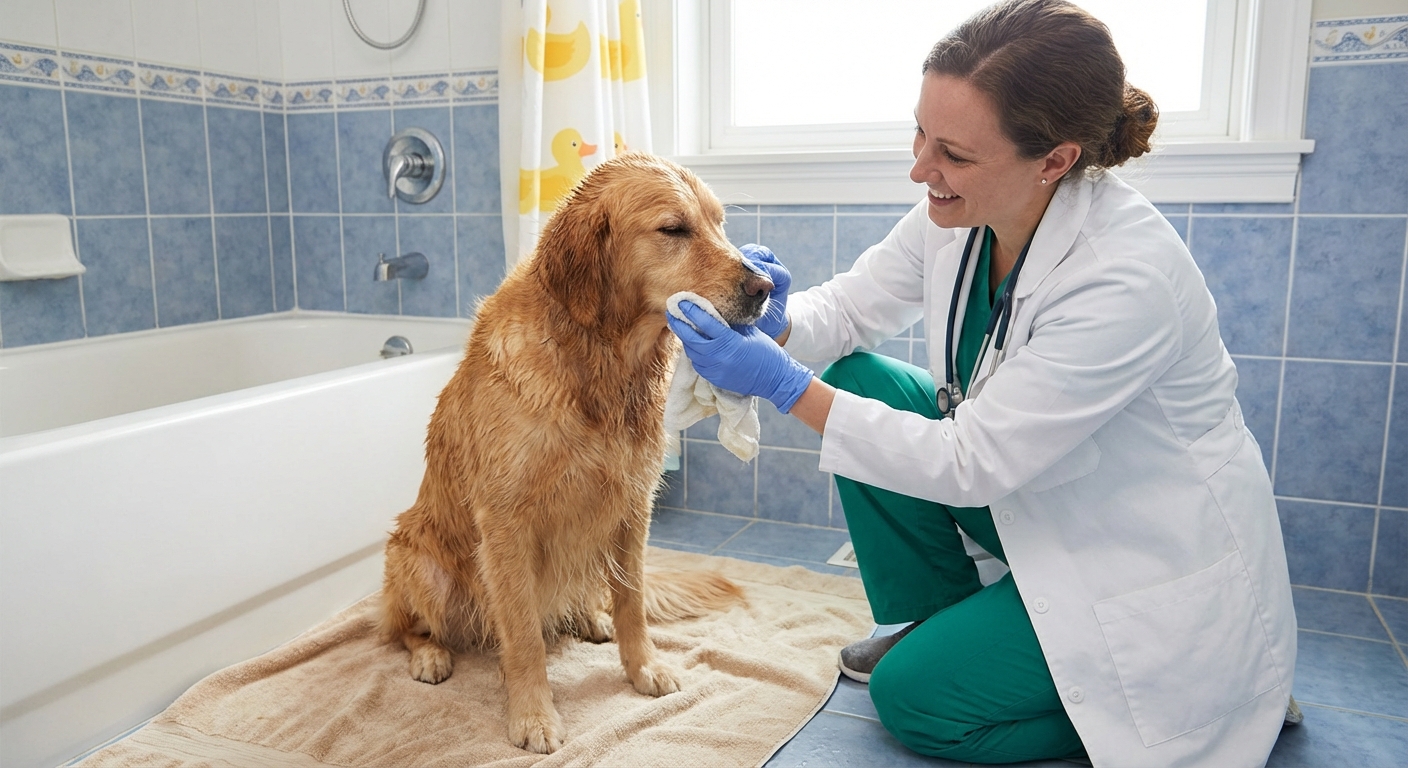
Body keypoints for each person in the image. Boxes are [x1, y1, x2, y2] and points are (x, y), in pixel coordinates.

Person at [664, 1, 1298, 765]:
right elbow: (854, 307)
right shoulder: (962, 210)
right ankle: (938, 623)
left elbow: (970, 463)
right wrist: (776, 323)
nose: (921, 168)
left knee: (914, 701)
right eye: (921, 134)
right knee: (862, 379)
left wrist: (786, 385)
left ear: (1055, 160)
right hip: (1043, 498)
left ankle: (1167, 702)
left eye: (954, 153)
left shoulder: (1124, 277)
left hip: (1133, 550)